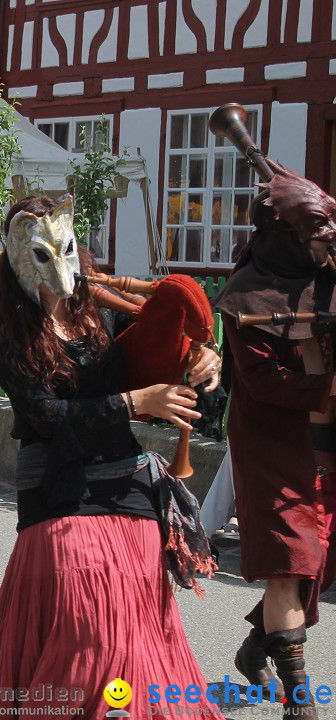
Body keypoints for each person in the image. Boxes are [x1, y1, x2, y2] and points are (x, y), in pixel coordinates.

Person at [0, 195, 221, 719]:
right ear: (19, 257)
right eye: (42, 255)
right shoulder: (7, 330)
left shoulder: (96, 313)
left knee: (135, 623)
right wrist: (134, 403)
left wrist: (201, 363)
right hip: (57, 488)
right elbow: (46, 415)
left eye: (65, 251)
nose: (59, 268)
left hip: (126, 482)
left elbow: (168, 378)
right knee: (86, 625)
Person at [212, 163, 336, 717]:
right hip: (270, 442)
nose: (324, 244)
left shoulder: (327, 275)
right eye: (313, 234)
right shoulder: (245, 296)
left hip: (325, 445)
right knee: (290, 559)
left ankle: (255, 647)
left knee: (313, 562)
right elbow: (262, 381)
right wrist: (327, 388)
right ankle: (300, 700)